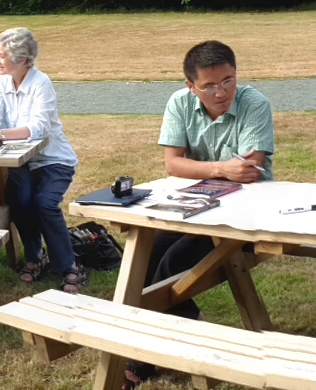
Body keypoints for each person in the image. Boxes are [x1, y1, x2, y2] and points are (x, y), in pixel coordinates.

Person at [127, 40, 273, 386]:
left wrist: (201, 170)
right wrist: (223, 169)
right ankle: (184, 336)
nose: (221, 92)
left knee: (170, 268)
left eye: (228, 81)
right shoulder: (179, 103)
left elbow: (251, 167)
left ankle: (149, 358)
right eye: (209, 86)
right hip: (191, 209)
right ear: (190, 86)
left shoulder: (255, 103)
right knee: (143, 257)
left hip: (242, 218)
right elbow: (172, 163)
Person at [0, 28, 85, 294]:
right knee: (20, 202)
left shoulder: (40, 82)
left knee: (45, 203)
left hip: (52, 160)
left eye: (1, 56)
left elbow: (39, 128)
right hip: (17, 161)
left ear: (22, 59)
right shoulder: (1, 82)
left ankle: (70, 266)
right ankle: (35, 257)